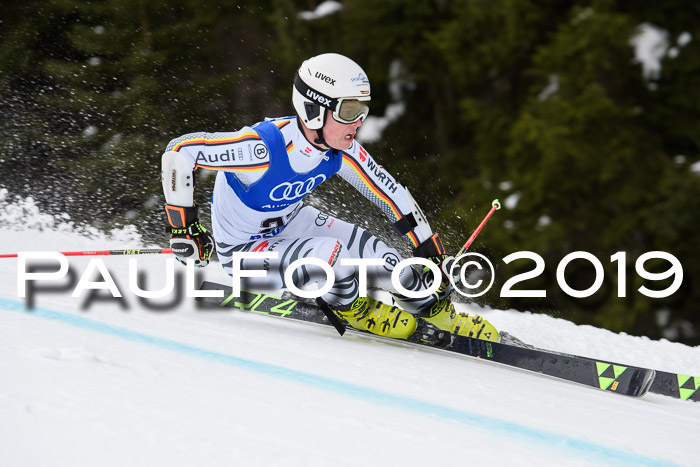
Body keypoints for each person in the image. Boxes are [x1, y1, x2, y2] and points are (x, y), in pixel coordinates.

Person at [161, 53, 499, 344]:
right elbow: (180, 152)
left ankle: (433, 310)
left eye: (362, 111)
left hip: (291, 226)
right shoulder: (263, 148)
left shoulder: (341, 151)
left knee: (380, 255)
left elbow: (389, 193)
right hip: (245, 254)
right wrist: (184, 228)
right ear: (314, 109)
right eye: (349, 111)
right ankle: (352, 308)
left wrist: (429, 249)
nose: (358, 122)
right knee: (329, 256)